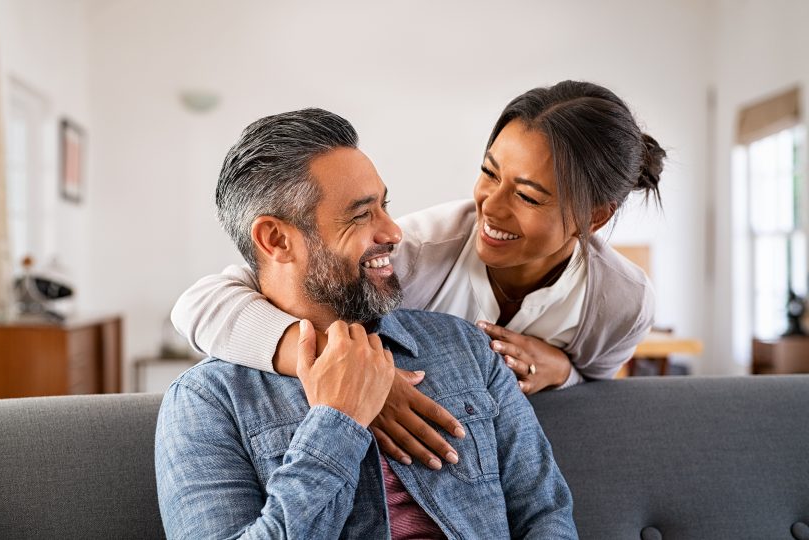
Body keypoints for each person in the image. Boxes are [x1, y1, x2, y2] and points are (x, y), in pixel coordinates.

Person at [172, 81, 665, 469]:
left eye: (527, 196)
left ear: (593, 217)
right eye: (489, 173)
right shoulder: (417, 251)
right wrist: (353, 372)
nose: (490, 207)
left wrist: (563, 371)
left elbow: (595, 392)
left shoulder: (621, 302)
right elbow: (201, 304)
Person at [155, 108, 577, 539]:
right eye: (360, 215)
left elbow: (546, 514)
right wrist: (337, 421)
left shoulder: (466, 346)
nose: (393, 232)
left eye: (384, 206)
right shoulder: (207, 401)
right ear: (276, 239)